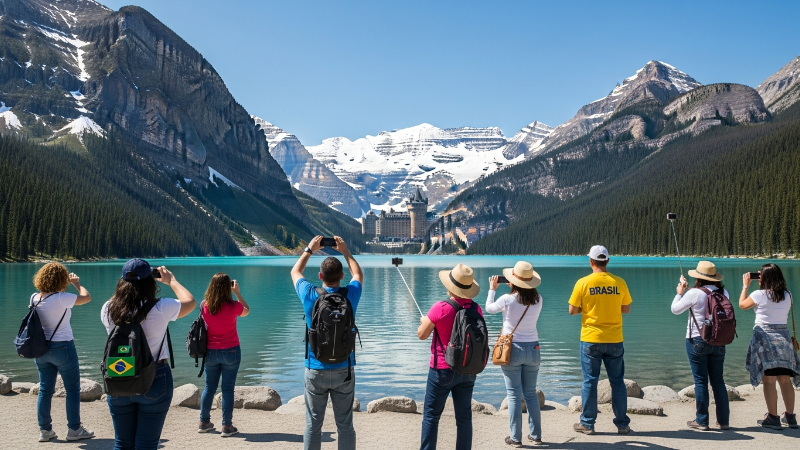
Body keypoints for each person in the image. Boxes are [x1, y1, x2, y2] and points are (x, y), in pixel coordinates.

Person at [101, 259, 196, 450]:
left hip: (119, 376)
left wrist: (125, 291)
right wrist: (172, 281)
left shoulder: (107, 308)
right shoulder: (162, 308)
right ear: (150, 282)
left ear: (121, 282)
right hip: (155, 377)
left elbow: (121, 303)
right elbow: (190, 302)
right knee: (147, 444)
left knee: (122, 443)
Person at [291, 236, 363, 450]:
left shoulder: (310, 294)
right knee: (345, 425)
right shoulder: (351, 294)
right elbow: (358, 274)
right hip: (344, 369)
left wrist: (309, 249)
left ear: (320, 276)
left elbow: (295, 272)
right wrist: (346, 251)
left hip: (315, 369)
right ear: (342, 276)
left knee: (313, 425)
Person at [417, 263, 482, 450]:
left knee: (431, 416)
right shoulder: (476, 309)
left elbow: (422, 334)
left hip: (442, 371)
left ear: (450, 286)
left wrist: (424, 322)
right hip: (468, 368)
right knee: (464, 418)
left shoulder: (440, 307)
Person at [568, 245, 632, 435]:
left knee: (590, 382)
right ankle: (622, 424)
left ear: (591, 261)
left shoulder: (583, 282)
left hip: (591, 339)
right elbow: (626, 309)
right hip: (614, 339)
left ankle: (587, 424)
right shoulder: (619, 282)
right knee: (617, 382)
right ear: (608, 261)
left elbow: (572, 310)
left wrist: (586, 309)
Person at [30, 262, 95, 442]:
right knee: (72, 389)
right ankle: (74, 429)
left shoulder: (35, 298)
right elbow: (87, 297)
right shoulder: (62, 298)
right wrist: (76, 284)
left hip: (40, 349)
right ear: (61, 280)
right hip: (63, 348)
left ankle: (45, 431)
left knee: (45, 390)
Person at [486, 261, 544, 447]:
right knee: (530, 394)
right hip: (533, 348)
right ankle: (535, 436)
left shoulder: (507, 299)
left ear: (513, 281)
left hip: (512, 350)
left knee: (513, 394)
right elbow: (524, 300)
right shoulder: (538, 299)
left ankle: (516, 438)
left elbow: (489, 308)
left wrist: (492, 289)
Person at [671, 261, 731, 431]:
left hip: (697, 340)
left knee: (700, 381)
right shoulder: (723, 292)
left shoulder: (695, 293)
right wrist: (689, 292)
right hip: (719, 341)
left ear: (698, 277)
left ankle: (702, 421)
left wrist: (680, 293)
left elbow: (675, 309)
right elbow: (708, 301)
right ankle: (724, 421)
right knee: (718, 381)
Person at [740, 263, 800, 429]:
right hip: (784, 342)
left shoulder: (759, 294)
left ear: (765, 278)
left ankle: (773, 417)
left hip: (765, 342)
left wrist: (745, 286)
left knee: (769, 381)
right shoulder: (787, 295)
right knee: (785, 381)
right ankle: (790, 417)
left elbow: (742, 305)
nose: (758, 277)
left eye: (760, 275)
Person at [198, 273, 251, 437]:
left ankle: (204, 422)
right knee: (227, 389)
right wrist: (237, 293)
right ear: (228, 287)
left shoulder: (204, 305)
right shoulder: (233, 305)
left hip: (210, 352)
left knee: (209, 387)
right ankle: (227, 427)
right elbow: (247, 311)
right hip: (231, 351)